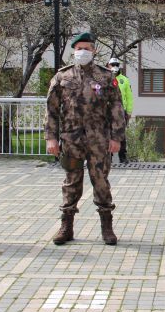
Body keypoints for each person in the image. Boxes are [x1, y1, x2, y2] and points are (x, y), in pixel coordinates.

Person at [45, 32, 126, 246]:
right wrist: (51, 138)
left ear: (94, 51)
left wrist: (116, 137)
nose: (83, 51)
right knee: (71, 182)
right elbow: (51, 110)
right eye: (79, 48)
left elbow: (117, 108)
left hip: (98, 140)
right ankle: (66, 226)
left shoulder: (106, 77)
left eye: (87, 48)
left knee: (101, 182)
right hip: (71, 140)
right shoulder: (62, 77)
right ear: (74, 50)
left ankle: (107, 228)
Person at [107, 57, 133, 164]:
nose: (114, 67)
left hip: (122, 111)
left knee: (121, 134)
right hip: (107, 111)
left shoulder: (124, 80)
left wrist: (129, 111)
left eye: (116, 64)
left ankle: (123, 157)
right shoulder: (104, 78)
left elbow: (129, 96)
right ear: (108, 66)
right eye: (112, 64)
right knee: (107, 133)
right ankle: (109, 156)